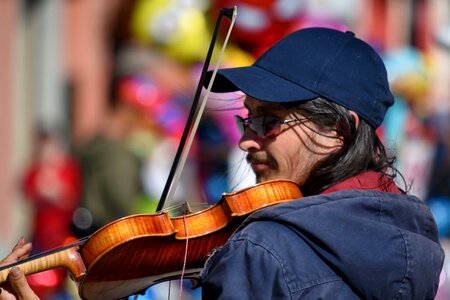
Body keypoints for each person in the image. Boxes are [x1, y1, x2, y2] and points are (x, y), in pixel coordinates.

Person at [0, 27, 444, 299]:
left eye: (269, 121)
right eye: (247, 118)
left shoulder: (263, 251)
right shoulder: (410, 238)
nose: (247, 140)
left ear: (338, 132)